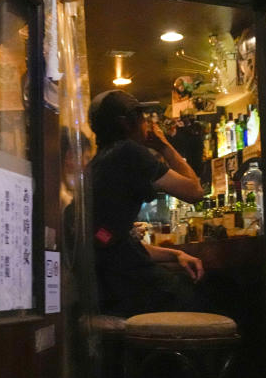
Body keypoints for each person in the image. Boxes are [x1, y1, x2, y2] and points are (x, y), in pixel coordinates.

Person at [87, 89, 211, 317]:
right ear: (126, 123)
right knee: (207, 292)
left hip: (107, 286)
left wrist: (175, 255)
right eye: (142, 118)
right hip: (126, 288)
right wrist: (164, 146)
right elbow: (194, 192)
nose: (147, 124)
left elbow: (118, 243)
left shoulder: (98, 162)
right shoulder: (129, 152)